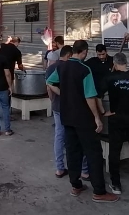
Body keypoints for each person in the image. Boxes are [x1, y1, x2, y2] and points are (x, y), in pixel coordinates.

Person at [46, 40, 118, 203]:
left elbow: (50, 82)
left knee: (72, 152)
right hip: (83, 119)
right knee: (93, 153)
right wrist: (97, 118)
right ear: (84, 52)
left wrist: (63, 93)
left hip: (67, 117)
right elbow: (90, 96)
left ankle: (76, 185)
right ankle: (99, 191)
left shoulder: (61, 66)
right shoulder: (85, 69)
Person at [98, 53, 129, 196]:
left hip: (116, 118)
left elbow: (97, 95)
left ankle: (116, 184)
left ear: (114, 63)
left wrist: (103, 112)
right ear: (126, 62)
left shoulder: (109, 77)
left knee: (114, 151)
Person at [46, 45, 90, 179]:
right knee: (79, 137)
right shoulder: (74, 67)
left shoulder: (51, 67)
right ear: (69, 55)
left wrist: (54, 100)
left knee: (59, 136)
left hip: (57, 107)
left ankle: (59, 168)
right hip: (72, 108)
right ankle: (84, 170)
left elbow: (49, 86)